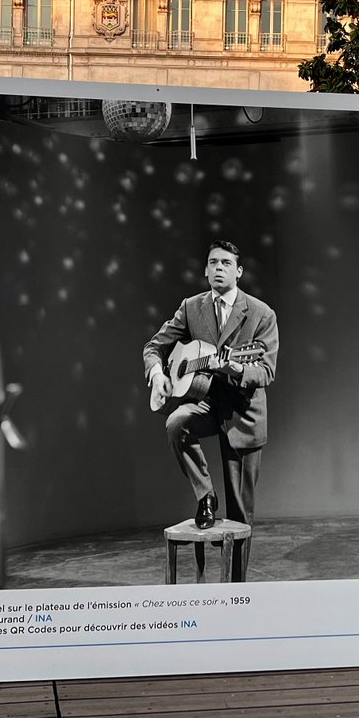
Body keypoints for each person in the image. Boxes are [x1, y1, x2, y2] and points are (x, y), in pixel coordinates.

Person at [144, 240, 278, 580]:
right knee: (176, 422)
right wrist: (159, 373)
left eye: (226, 263)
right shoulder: (191, 307)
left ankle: (236, 587)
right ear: (205, 270)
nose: (219, 268)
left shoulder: (261, 314)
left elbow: (266, 371)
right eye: (213, 262)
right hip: (204, 403)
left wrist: (237, 369)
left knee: (240, 512)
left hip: (242, 413)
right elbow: (154, 346)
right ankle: (205, 496)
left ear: (239, 271)